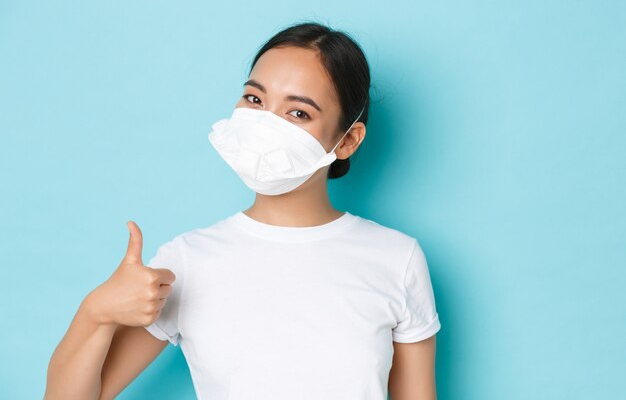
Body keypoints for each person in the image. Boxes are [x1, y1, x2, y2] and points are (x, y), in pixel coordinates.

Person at [44, 21, 442, 400]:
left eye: (298, 112)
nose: (265, 124)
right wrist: (96, 312)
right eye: (254, 99)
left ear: (348, 140)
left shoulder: (396, 259)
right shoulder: (186, 262)